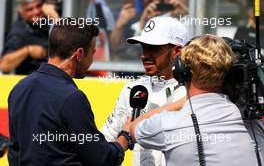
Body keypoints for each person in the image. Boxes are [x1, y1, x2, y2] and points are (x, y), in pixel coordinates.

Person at [8, 18, 132, 166]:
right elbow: (102, 159)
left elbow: (15, 153)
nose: (92, 61)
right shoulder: (71, 98)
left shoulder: (19, 89)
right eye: (92, 53)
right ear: (79, 54)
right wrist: (126, 136)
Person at [130, 34, 260, 166]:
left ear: (181, 70)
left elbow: (134, 127)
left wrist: (181, 102)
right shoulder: (254, 123)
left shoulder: (167, 124)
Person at [102, 16, 187, 166]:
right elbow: (106, 139)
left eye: (153, 48)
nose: (144, 55)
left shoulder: (195, 92)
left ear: (177, 51)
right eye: (143, 47)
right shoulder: (132, 89)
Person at [0, 0, 58, 75]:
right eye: (30, 9)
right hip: (33, 83)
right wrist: (28, 50)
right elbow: (4, 65)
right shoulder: (19, 33)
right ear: (21, 13)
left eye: (38, 6)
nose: (36, 12)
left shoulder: (40, 23)